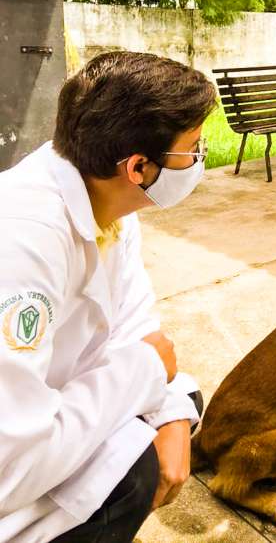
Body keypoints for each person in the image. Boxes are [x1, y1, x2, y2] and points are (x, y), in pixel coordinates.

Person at [0, 51, 216, 543]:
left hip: (56, 412)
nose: (198, 162)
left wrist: (171, 412)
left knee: (179, 405)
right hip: (11, 480)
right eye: (193, 150)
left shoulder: (112, 210)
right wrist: (142, 373)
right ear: (139, 166)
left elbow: (138, 326)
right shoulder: (19, 242)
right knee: (134, 471)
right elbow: (8, 470)